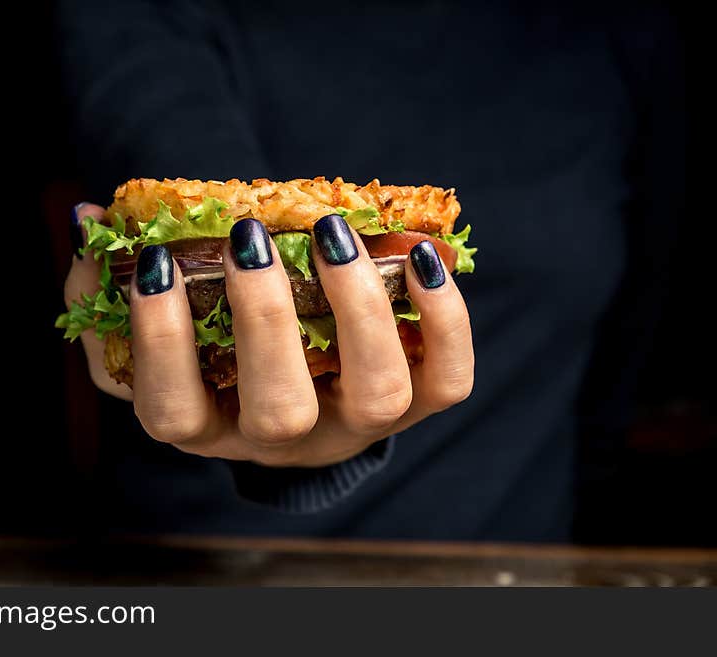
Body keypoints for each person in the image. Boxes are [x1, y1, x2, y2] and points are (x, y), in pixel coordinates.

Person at [55, 1, 683, 541]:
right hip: (200, 576)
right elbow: (206, 202)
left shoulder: (618, 25)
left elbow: (619, 382)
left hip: (520, 578)